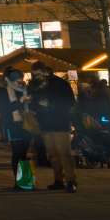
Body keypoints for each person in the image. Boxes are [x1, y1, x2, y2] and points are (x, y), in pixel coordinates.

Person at [29, 63, 77, 192]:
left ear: (44, 71)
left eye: (37, 73)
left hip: (60, 123)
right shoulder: (35, 85)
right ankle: (58, 180)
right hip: (45, 123)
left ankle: (71, 180)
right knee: (52, 154)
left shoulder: (60, 84)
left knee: (64, 153)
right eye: (34, 74)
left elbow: (70, 102)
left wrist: (50, 105)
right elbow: (32, 102)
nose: (35, 76)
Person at [0, 70, 33, 190]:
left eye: (20, 78)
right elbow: (5, 108)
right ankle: (19, 181)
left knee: (24, 153)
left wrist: (29, 101)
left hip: (26, 123)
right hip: (13, 124)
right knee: (17, 153)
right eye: (16, 79)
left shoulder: (24, 89)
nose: (19, 81)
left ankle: (25, 181)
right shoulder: (4, 91)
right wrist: (21, 101)